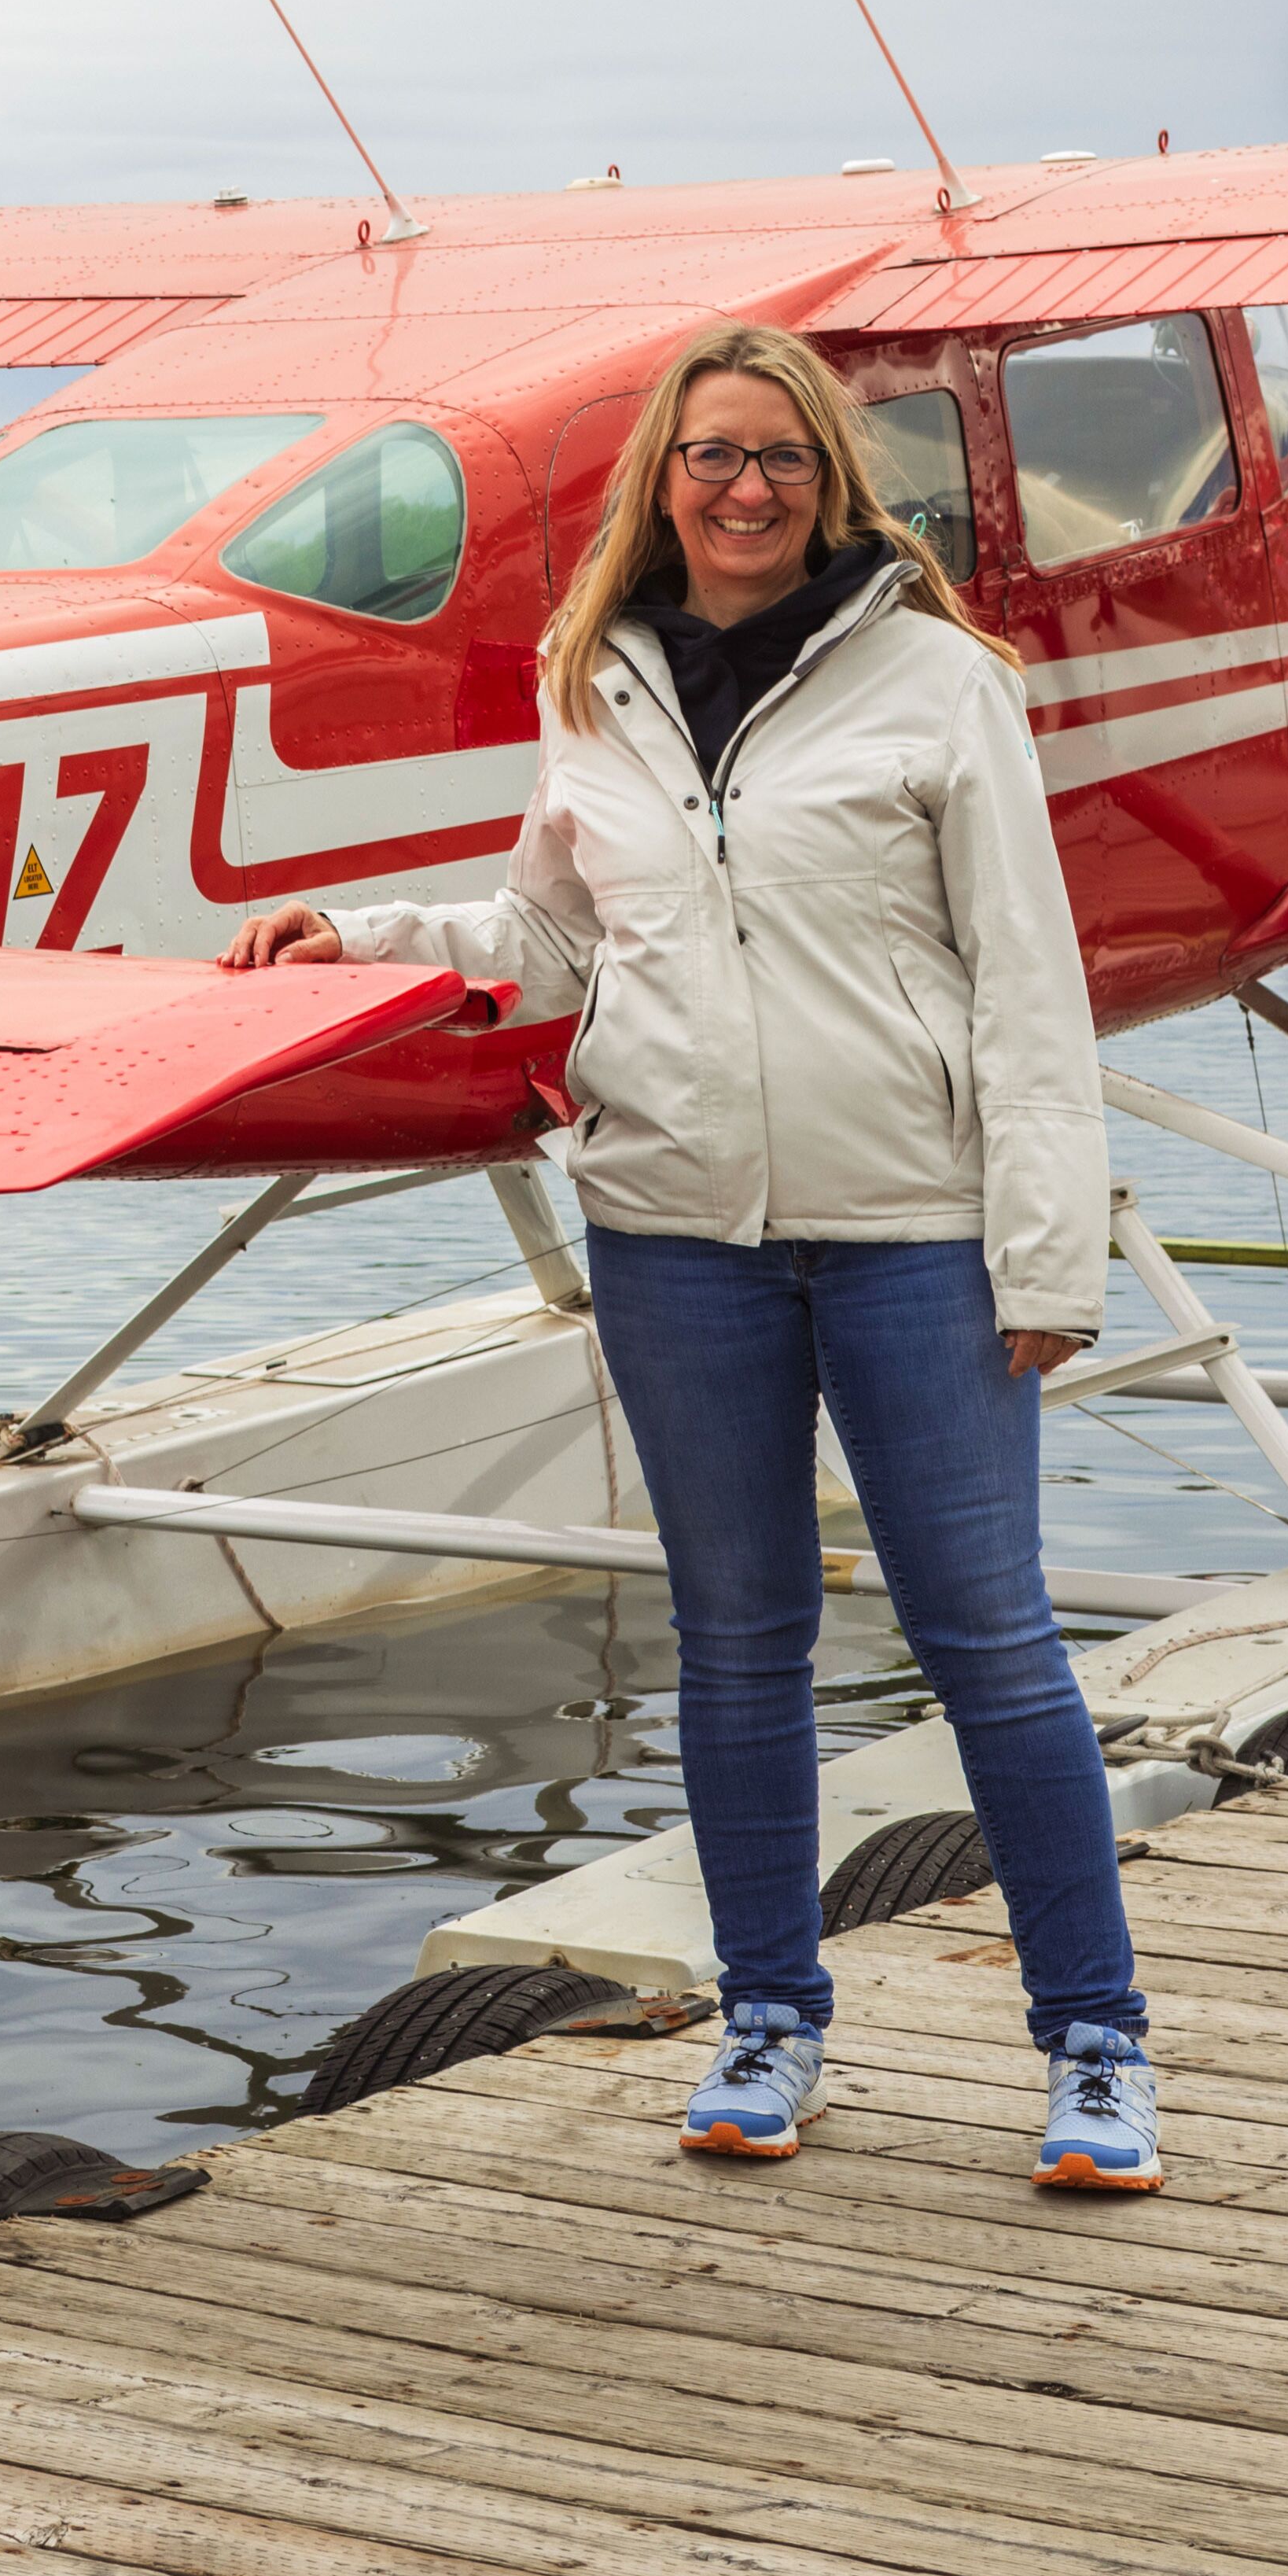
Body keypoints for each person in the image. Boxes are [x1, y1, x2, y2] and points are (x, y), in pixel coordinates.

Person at [222, 319, 1157, 2191]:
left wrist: (1045, 1261)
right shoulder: (601, 686)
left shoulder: (937, 683)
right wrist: (368, 933)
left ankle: (1097, 2045)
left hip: (914, 1233)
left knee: (992, 1643)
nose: (744, 490)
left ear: (831, 485)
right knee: (739, 1647)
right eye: (712, 458)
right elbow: (556, 940)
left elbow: (1030, 988)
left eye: (781, 461)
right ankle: (766, 2021)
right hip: (672, 1233)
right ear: (664, 480)